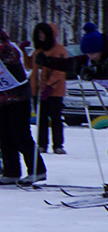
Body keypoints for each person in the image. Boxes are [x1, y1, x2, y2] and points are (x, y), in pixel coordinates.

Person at [0, 23, 36, 183]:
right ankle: (11, 172)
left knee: (20, 135)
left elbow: (11, 55)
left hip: (19, 97)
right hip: (0, 98)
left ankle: (36, 169)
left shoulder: (7, 47)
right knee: (4, 136)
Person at [29, 23, 66, 156]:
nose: (40, 36)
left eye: (42, 33)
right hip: (38, 90)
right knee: (41, 118)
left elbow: (59, 71)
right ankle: (42, 144)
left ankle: (58, 145)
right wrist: (24, 53)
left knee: (55, 118)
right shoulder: (38, 50)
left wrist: (49, 86)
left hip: (54, 91)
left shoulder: (59, 50)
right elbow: (30, 65)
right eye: (38, 34)